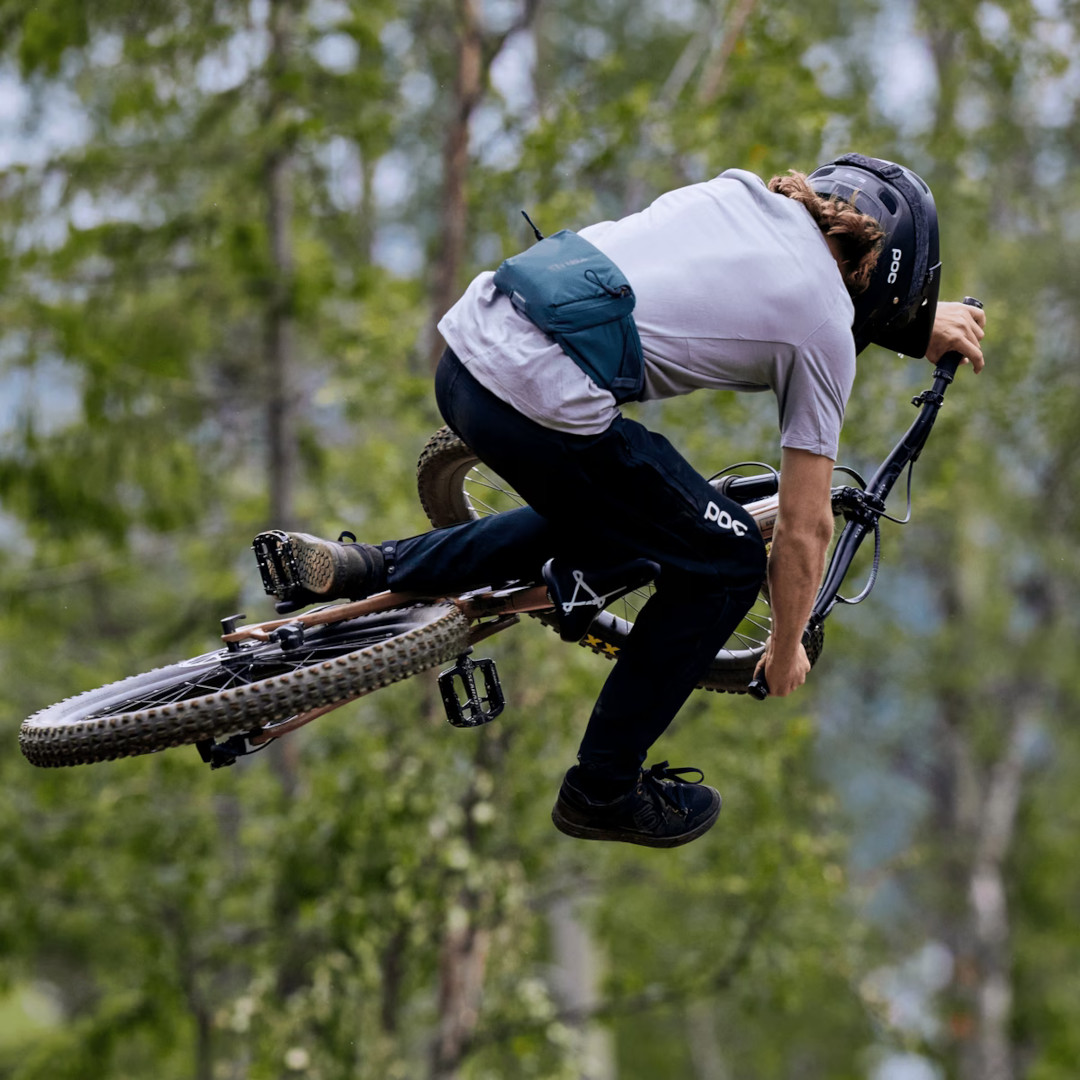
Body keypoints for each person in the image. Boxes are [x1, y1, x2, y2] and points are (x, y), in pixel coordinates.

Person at [254, 153, 986, 849]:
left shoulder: (737, 194)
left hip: (467, 357)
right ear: (891, 283)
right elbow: (804, 527)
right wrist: (787, 644)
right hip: (540, 402)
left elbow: (753, 287)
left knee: (625, 506)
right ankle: (603, 788)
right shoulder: (825, 324)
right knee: (727, 558)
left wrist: (914, 327)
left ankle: (360, 568)